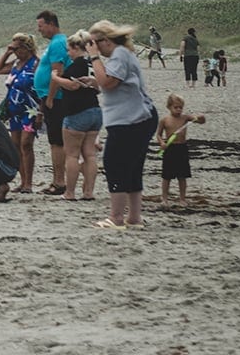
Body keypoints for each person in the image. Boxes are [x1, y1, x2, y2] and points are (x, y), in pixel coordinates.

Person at [89, 20, 158, 229]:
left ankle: (116, 217)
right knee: (133, 167)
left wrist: (94, 57)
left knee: (114, 164)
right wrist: (93, 81)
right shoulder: (123, 54)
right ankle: (134, 217)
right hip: (136, 117)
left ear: (105, 41)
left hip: (131, 118)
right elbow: (113, 83)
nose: (93, 47)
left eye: (94, 43)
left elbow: (108, 82)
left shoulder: (119, 54)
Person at [52, 31, 102, 201]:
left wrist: (56, 79)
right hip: (95, 111)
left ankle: (70, 192)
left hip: (77, 112)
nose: (67, 53)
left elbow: (73, 85)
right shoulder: (91, 64)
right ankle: (88, 192)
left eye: (69, 50)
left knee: (72, 154)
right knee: (90, 154)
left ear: (76, 48)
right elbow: (98, 86)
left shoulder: (77, 65)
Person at [0, 33, 41, 193]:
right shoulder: (15, 64)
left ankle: (29, 183)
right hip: (14, 112)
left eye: (17, 48)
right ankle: (22, 181)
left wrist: (42, 111)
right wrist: (7, 52)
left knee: (26, 144)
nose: (15, 52)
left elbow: (43, 86)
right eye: (13, 49)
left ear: (26, 48)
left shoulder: (36, 64)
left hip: (31, 110)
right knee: (15, 146)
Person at [35, 10, 71, 196]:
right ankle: (58, 180)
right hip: (49, 98)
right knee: (55, 141)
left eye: (41, 26)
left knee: (56, 142)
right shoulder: (55, 43)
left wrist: (49, 97)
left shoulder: (58, 43)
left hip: (55, 100)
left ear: (51, 24)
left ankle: (59, 181)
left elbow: (58, 72)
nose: (39, 30)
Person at [156, 93, 206, 208]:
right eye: (176, 107)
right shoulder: (165, 120)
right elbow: (158, 135)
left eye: (180, 107)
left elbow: (199, 121)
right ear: (169, 107)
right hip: (170, 149)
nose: (178, 110)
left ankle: (182, 199)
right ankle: (164, 199)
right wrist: (162, 143)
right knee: (166, 176)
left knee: (182, 176)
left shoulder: (185, 118)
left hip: (182, 148)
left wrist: (202, 118)